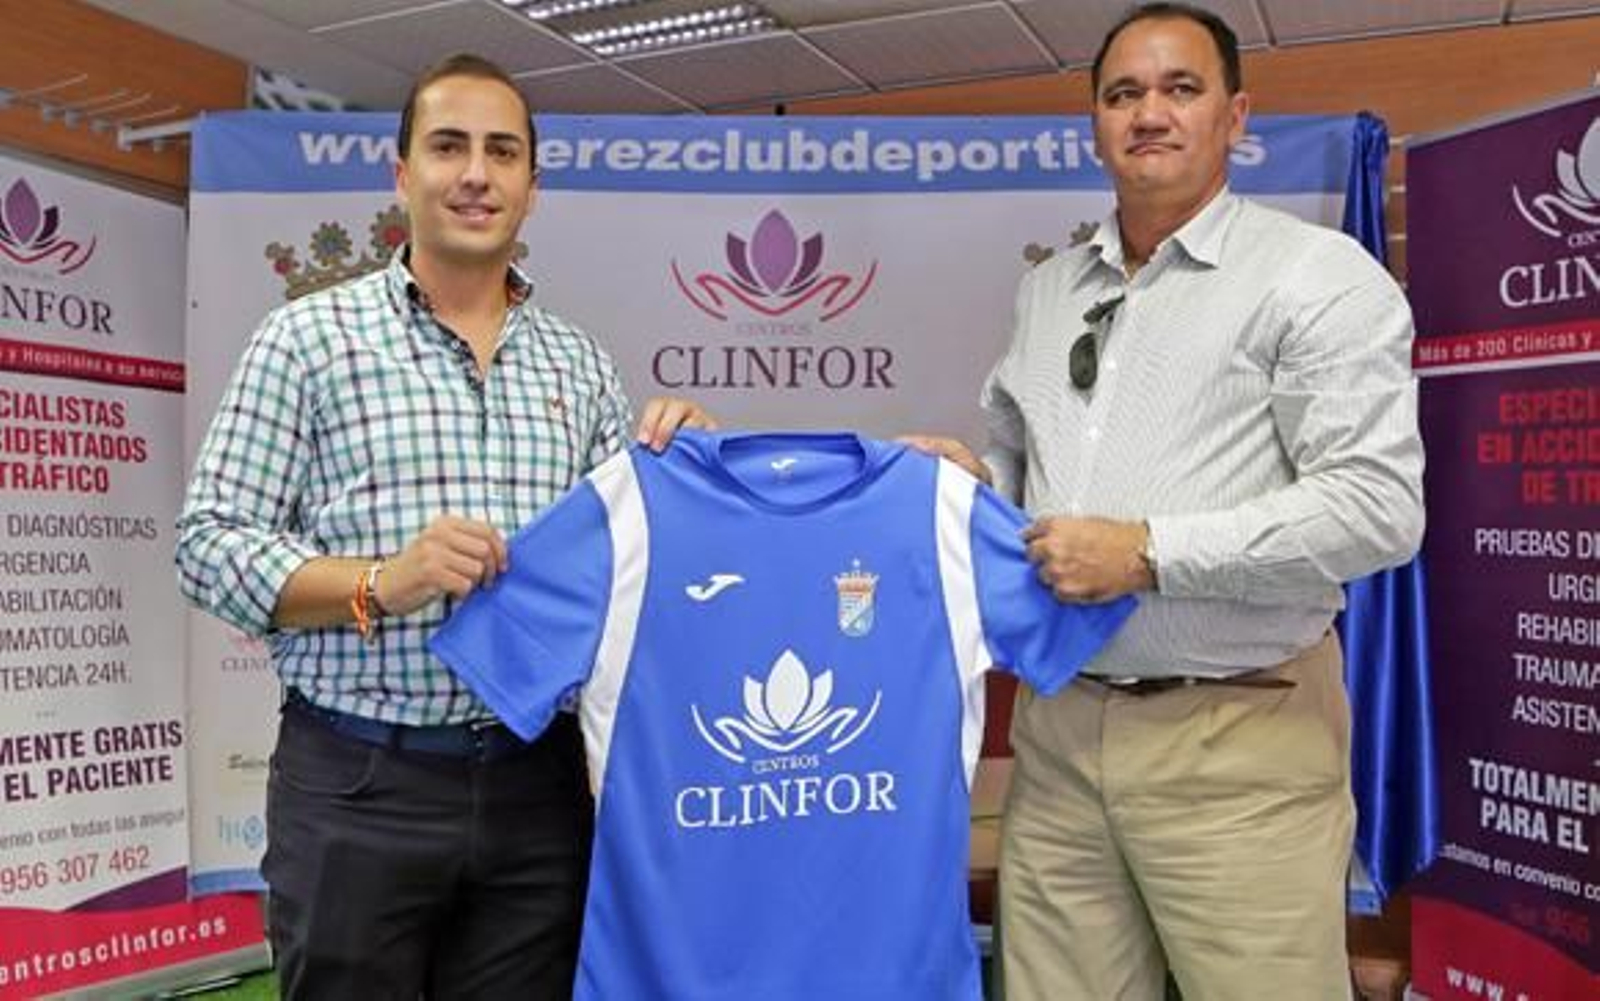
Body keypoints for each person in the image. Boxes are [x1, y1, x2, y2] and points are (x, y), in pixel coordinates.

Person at [908, 4, 1424, 998]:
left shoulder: (1317, 278)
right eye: (1122, 93)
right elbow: (1031, 484)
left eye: (1180, 89)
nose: (1150, 113)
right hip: (1059, 740)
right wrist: (968, 489)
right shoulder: (1050, 288)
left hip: (1239, 737)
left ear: (1235, 117)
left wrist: (1150, 551)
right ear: (1094, 122)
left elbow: (1376, 507)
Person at [176, 53, 713, 999]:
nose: (476, 173)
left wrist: (684, 471)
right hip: (358, 785)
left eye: (503, 152)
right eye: (449, 146)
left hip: (535, 789)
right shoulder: (307, 340)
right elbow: (209, 543)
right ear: (402, 173)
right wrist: (383, 579)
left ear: (533, 188)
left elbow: (626, 572)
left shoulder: (580, 365)